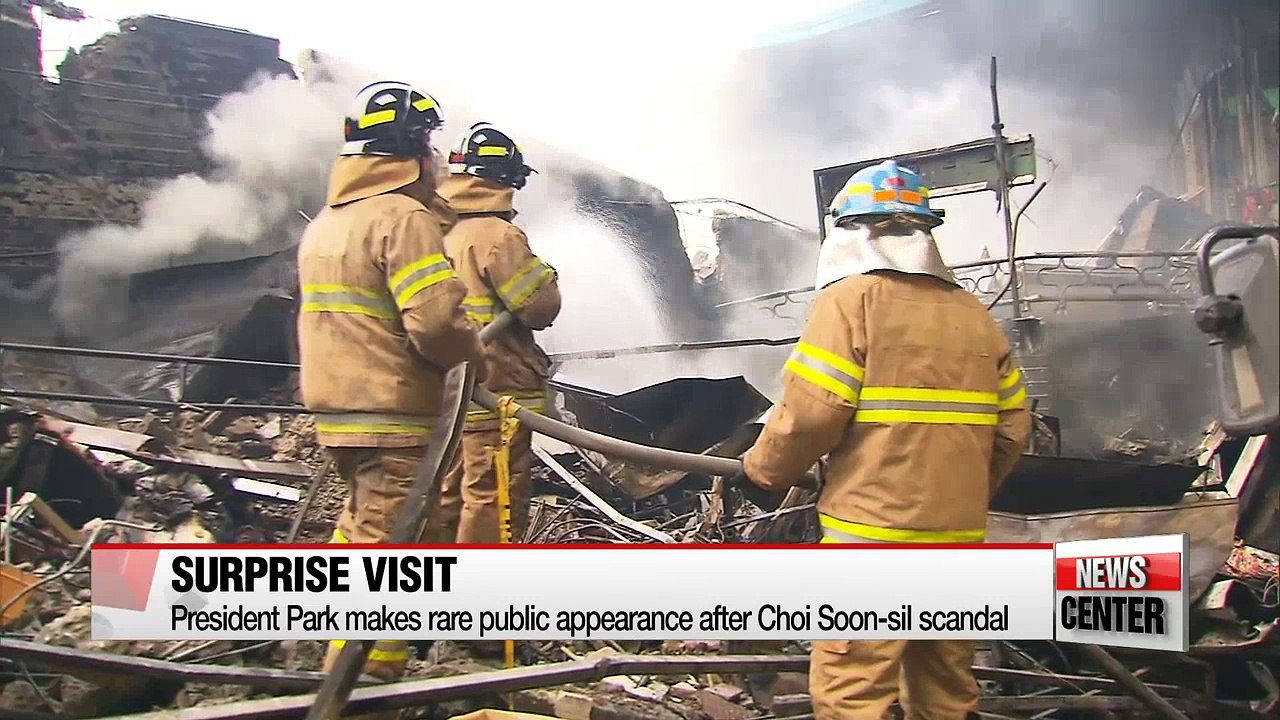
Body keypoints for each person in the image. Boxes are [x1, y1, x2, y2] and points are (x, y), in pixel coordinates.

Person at [731, 160, 1032, 720]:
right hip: (957, 538)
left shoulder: (852, 302)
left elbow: (811, 414)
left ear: (849, 232)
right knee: (945, 686)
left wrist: (763, 472)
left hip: (871, 538)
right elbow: (1013, 428)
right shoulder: (973, 315)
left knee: (854, 688)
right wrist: (962, 493)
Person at [297, 80, 486, 686]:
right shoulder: (401, 217)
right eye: (429, 142)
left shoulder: (329, 219)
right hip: (391, 411)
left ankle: (328, 652)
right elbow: (434, 321)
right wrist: (473, 346)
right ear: (410, 147)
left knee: (360, 529)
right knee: (393, 556)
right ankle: (363, 688)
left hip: (339, 414)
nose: (436, 157)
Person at [435, 121, 561, 547]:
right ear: (506, 177)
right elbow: (541, 308)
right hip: (496, 391)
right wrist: (546, 276)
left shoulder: (434, 229)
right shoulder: (497, 235)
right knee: (494, 496)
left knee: (448, 492)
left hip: (446, 392)